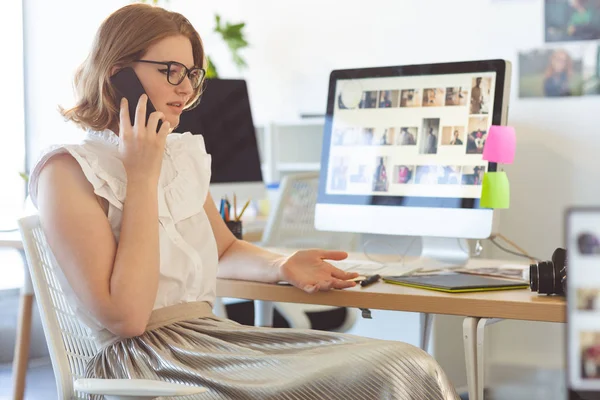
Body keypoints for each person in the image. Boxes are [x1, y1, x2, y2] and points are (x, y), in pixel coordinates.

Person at [29, 4, 459, 399]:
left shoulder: (176, 154)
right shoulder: (66, 173)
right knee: (388, 373)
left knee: (406, 363)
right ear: (117, 73)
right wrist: (141, 176)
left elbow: (225, 249)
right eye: (170, 71)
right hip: (146, 363)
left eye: (192, 74)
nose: (185, 88)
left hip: (212, 339)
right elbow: (127, 318)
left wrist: (281, 265)